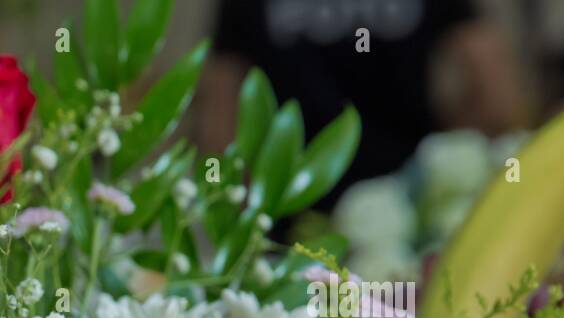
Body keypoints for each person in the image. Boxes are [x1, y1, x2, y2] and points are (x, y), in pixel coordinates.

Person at [196, 0, 530, 206]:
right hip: (407, 205)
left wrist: (238, 204)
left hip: (294, 205)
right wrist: (464, 155)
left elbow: (218, 113)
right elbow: (494, 87)